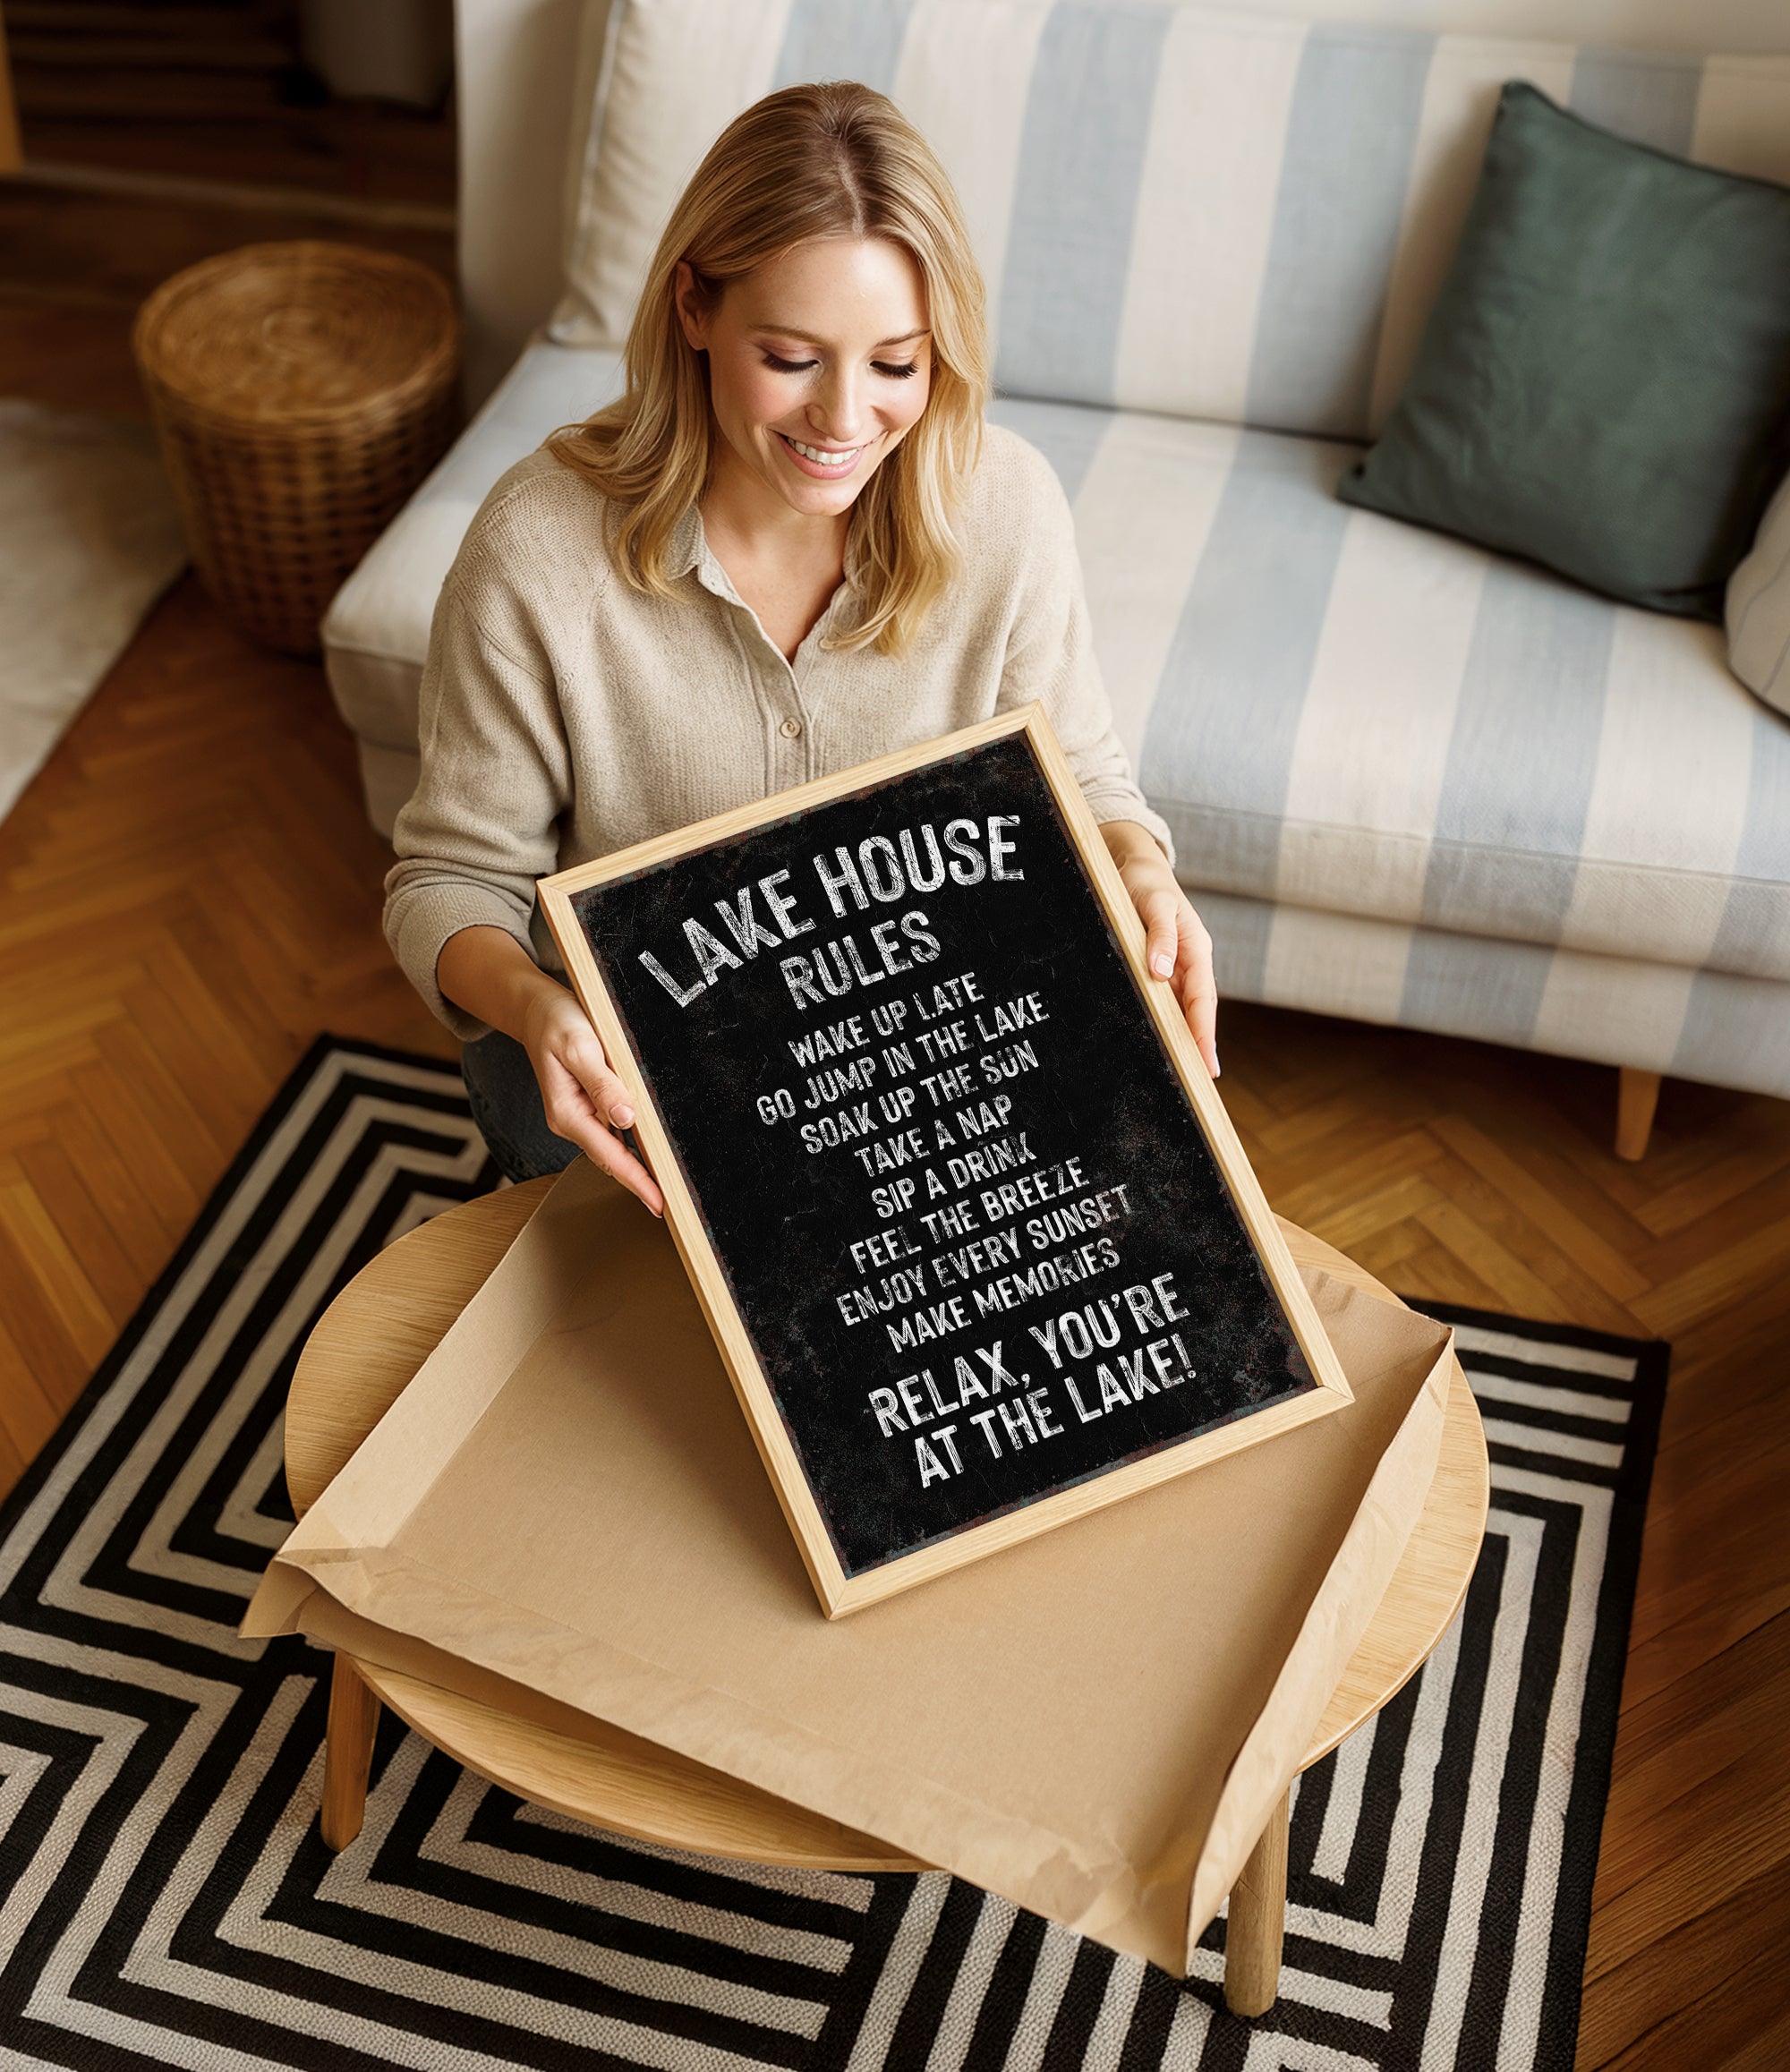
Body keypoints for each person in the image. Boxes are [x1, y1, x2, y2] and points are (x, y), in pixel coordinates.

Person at [385, 81, 1217, 1210]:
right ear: (693, 308)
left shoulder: (1007, 508)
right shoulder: (535, 549)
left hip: (917, 1056)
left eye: (894, 364)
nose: (842, 419)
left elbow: (1083, 779)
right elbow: (449, 879)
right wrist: (538, 1008)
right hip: (626, 1074)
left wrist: (1137, 866)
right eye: (788, 355)